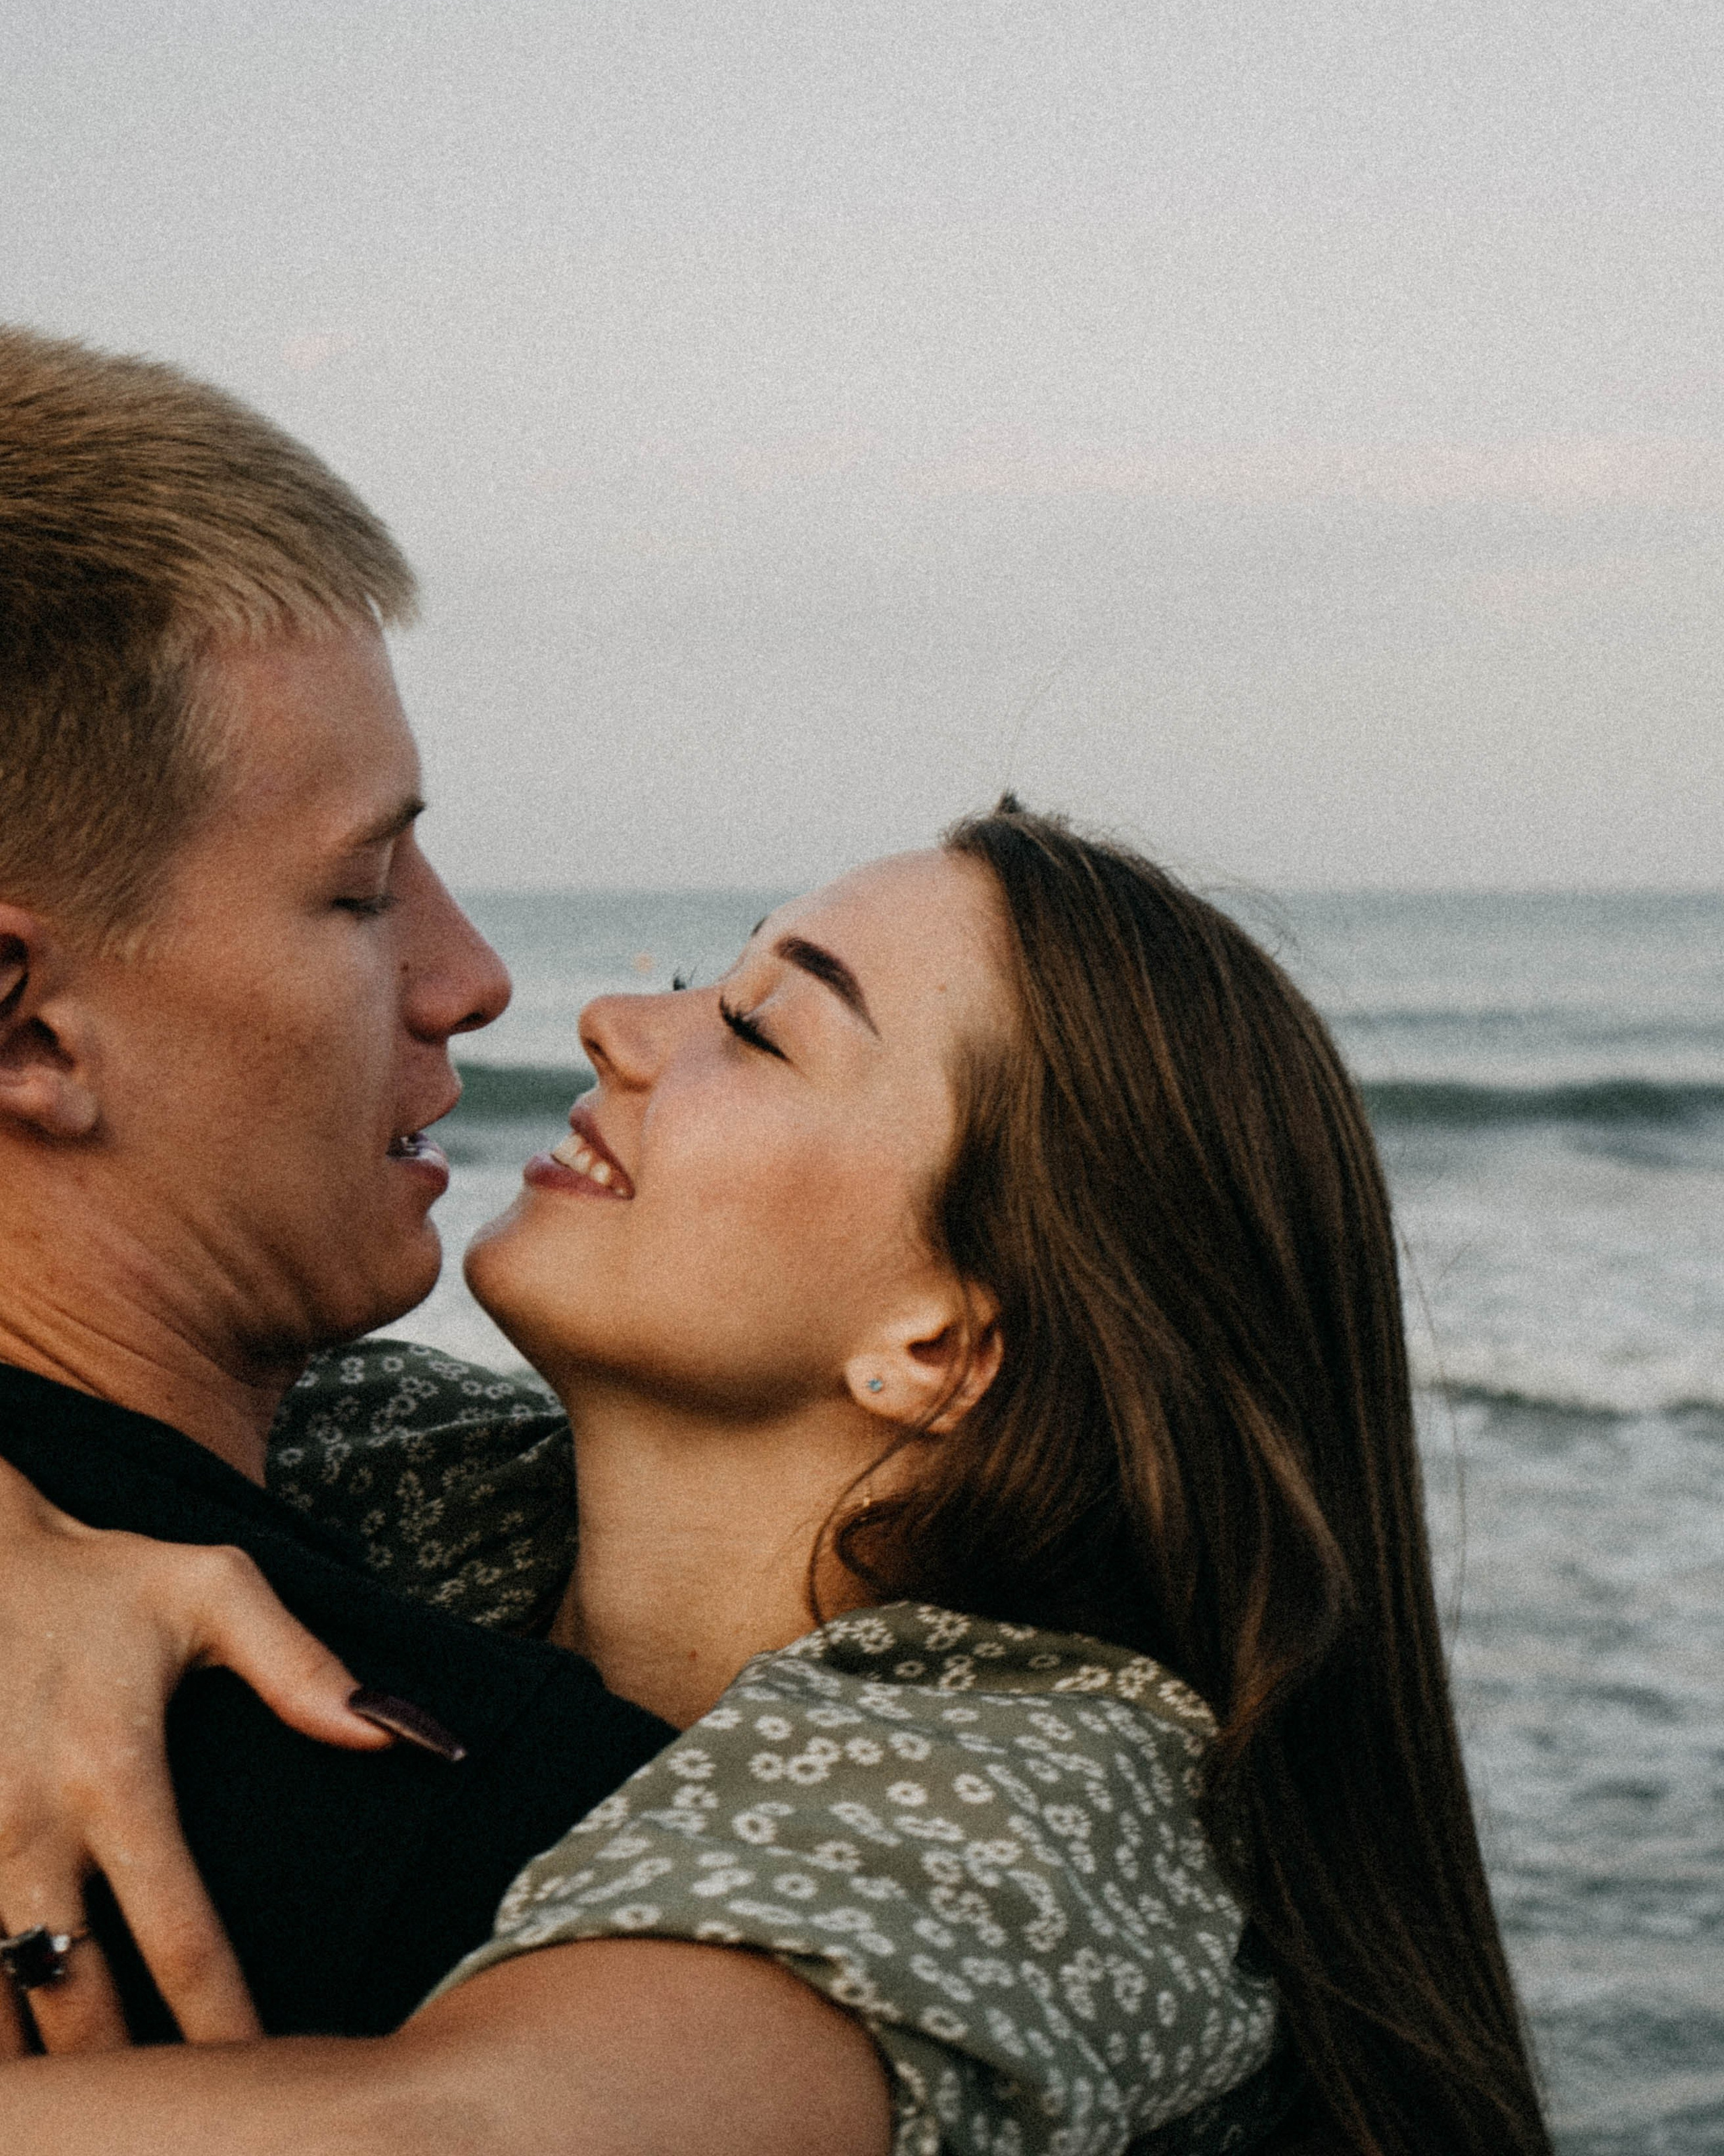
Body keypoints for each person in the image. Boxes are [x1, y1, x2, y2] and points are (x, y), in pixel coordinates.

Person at [0, 327, 1553, 2156]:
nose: (588, 1017)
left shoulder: (1043, 1777)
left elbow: (489, 2134)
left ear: (942, 1342)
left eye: (759, 1028)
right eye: (358, 886)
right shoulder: (425, 1477)